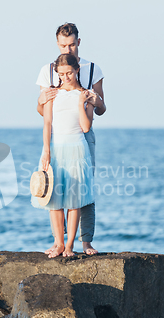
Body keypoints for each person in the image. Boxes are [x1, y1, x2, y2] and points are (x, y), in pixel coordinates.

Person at [36, 23, 106, 255]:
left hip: (81, 137)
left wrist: (90, 102)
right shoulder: (48, 70)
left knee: (82, 189)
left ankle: (84, 241)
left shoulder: (92, 68)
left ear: (78, 42)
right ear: (58, 44)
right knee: (54, 189)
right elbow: (43, 112)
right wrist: (40, 101)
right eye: (63, 45)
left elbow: (101, 109)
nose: (68, 49)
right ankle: (59, 242)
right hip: (57, 138)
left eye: (72, 44)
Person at [31, 53, 95, 258]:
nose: (65, 77)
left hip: (77, 147)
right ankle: (58, 243)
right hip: (55, 147)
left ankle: (69, 247)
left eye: (69, 73)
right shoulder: (52, 93)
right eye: (61, 74)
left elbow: (86, 127)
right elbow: (47, 123)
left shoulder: (86, 94)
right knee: (54, 197)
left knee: (75, 200)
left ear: (77, 70)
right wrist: (47, 151)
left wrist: (81, 104)